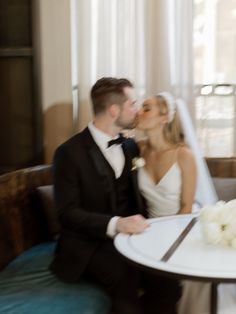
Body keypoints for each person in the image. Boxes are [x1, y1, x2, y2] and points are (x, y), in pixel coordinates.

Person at [50, 78, 181, 314]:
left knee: (167, 279)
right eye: (132, 104)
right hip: (87, 246)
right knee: (125, 276)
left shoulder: (130, 147)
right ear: (113, 110)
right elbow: (67, 214)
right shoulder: (68, 153)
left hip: (131, 239)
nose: (137, 110)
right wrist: (117, 224)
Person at [136, 92, 220, 314]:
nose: (139, 112)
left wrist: (170, 244)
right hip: (149, 230)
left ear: (164, 118)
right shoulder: (138, 149)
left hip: (181, 228)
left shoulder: (184, 155)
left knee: (167, 283)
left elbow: (185, 206)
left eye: (146, 108)